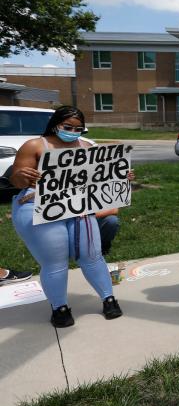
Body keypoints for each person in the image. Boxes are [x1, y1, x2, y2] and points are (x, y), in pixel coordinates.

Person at [7, 106, 124, 327]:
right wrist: (21, 176)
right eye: (68, 127)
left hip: (78, 208)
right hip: (41, 208)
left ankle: (108, 298)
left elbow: (99, 180)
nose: (73, 131)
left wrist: (119, 175)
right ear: (56, 124)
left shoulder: (87, 147)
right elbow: (17, 181)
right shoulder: (34, 146)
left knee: (92, 255)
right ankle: (59, 307)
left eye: (79, 128)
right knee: (55, 261)